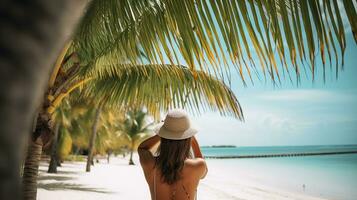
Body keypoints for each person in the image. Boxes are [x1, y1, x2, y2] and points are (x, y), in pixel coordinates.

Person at [138, 109, 207, 200]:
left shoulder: (151, 164)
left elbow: (142, 148)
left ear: (163, 136)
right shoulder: (198, 166)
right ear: (188, 138)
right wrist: (192, 139)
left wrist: (162, 133)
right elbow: (203, 172)